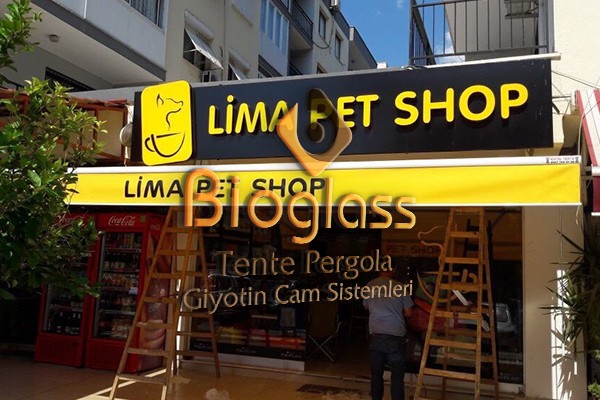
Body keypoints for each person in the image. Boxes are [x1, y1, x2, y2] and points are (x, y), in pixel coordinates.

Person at [363, 269, 414, 400]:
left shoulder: (370, 285)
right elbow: (409, 313)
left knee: (376, 375)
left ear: (378, 269)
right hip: (395, 336)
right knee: (397, 377)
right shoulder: (400, 287)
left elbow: (366, 306)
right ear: (393, 270)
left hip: (376, 334)